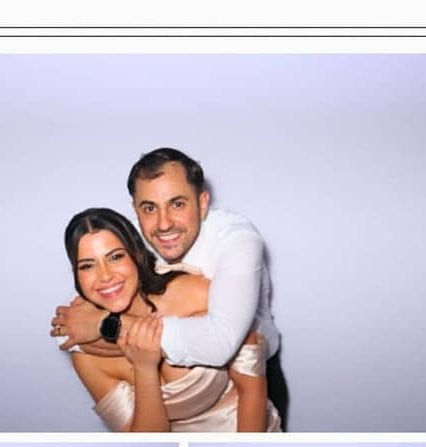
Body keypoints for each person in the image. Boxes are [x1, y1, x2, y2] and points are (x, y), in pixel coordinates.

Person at [51, 147, 286, 423]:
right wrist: (107, 329)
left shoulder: (237, 242)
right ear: (136, 210)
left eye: (177, 204)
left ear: (202, 203)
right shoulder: (130, 237)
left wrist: (107, 326)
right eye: (149, 207)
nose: (163, 224)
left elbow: (223, 341)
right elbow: (76, 322)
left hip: (252, 371)